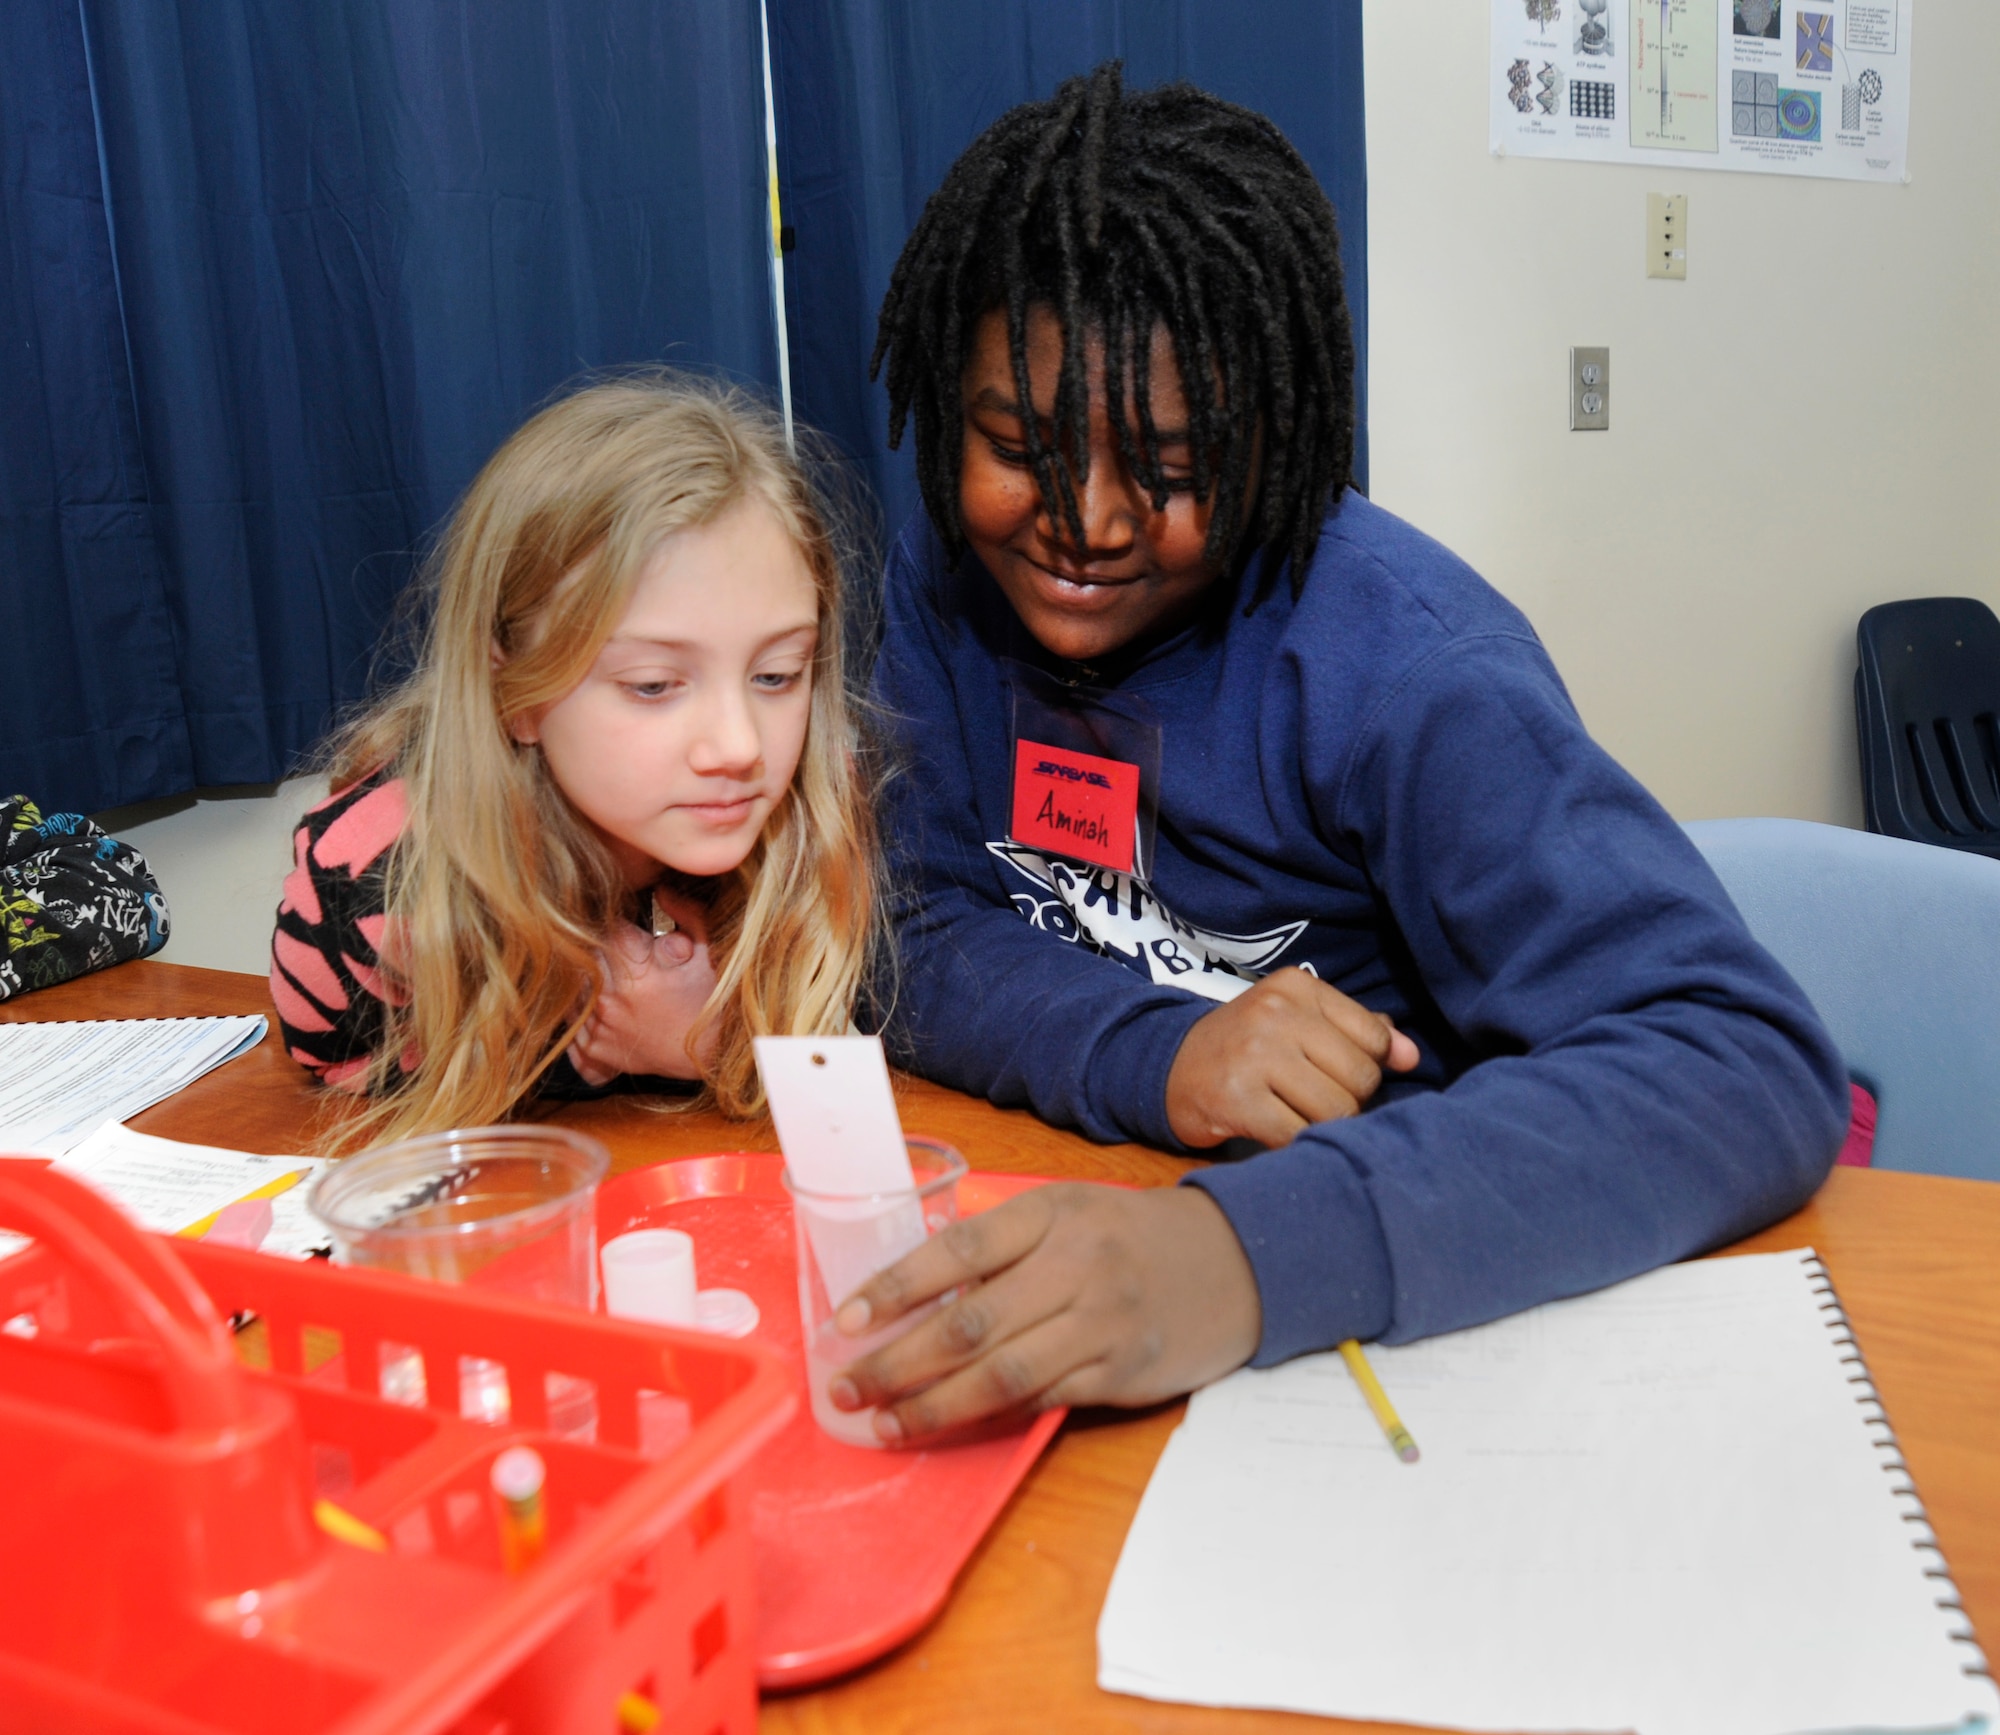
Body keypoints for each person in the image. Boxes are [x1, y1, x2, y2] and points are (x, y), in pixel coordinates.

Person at [827, 64, 1847, 1442]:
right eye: (1019, 447)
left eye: (1174, 471)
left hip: (1398, 1323)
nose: (1086, 521)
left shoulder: (1408, 669)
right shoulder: (947, 591)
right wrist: (1162, 1054)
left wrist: (1235, 1255)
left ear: (1273, 444)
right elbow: (904, 922)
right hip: (1078, 1227)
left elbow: (1743, 1061)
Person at [270, 374, 877, 1146]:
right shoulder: (369, 888)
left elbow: (863, 1101)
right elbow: (335, 1062)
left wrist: (717, 1046)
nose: (740, 746)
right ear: (516, 695)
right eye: (654, 685)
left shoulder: (817, 819)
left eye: (778, 675)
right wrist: (582, 1046)